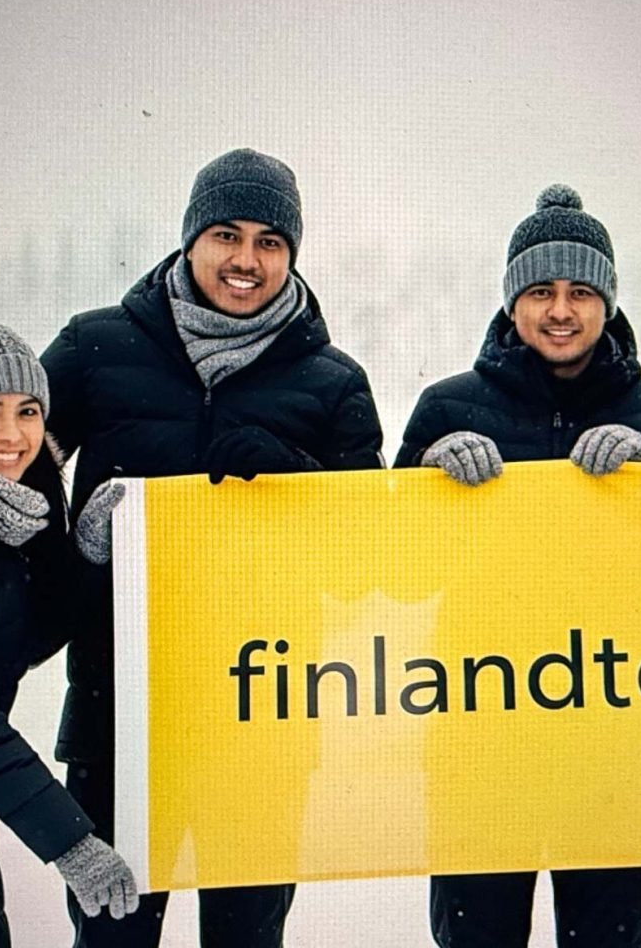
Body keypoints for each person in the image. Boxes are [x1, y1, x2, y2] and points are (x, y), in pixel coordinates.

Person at [41, 148, 384, 947]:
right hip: (119, 708)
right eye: (226, 235)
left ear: (292, 254)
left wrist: (296, 477)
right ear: (190, 238)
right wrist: (83, 541)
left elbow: (366, 556)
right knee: (112, 933)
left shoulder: (333, 383)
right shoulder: (96, 348)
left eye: (270, 241)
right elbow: (9, 479)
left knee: (245, 936)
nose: (245, 260)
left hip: (262, 714)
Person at [396, 184, 641, 948]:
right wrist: (426, 477)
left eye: (581, 291)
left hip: (615, 735)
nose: (560, 310)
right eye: (540, 290)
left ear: (609, 302)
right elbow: (396, 571)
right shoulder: (444, 408)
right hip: (479, 731)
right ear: (511, 303)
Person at [0, 317, 138, 947]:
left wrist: (83, 557)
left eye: (27, 410)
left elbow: (19, 642)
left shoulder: (2, 510)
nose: (12, 434)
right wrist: (72, 844)